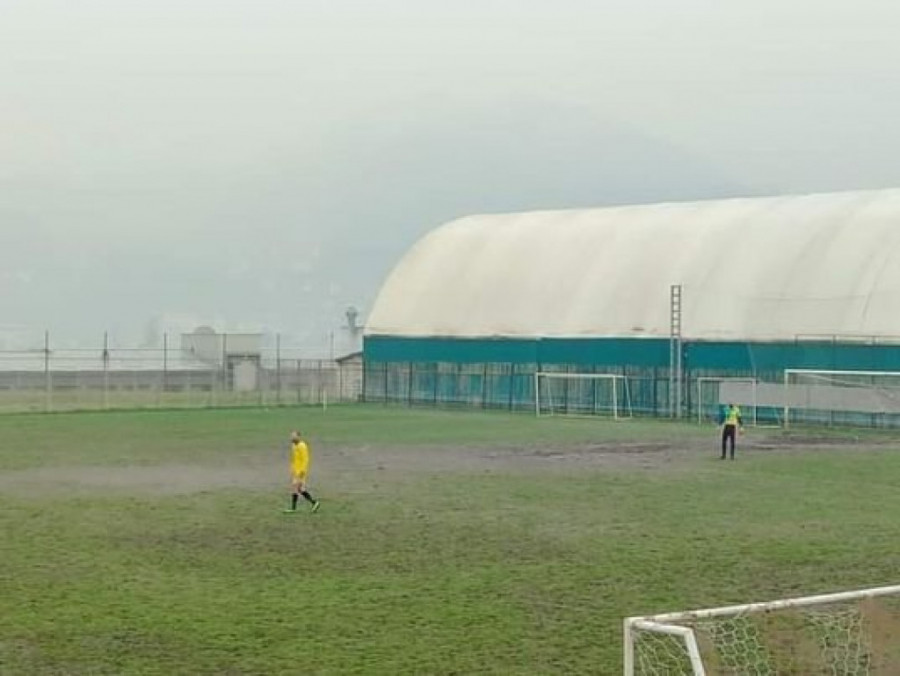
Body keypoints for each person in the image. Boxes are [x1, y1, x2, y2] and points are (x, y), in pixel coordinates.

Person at [285, 430, 320, 513]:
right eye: (292, 436)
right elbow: (294, 459)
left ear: (298, 437)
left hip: (301, 472)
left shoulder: (302, 446)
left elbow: (305, 459)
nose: (292, 438)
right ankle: (314, 503)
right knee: (300, 489)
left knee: (296, 488)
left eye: (294, 436)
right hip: (296, 471)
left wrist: (303, 471)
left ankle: (295, 508)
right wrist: (293, 469)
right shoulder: (294, 446)